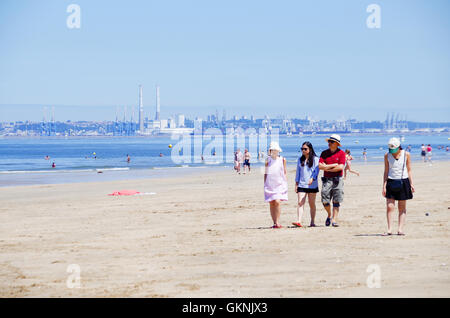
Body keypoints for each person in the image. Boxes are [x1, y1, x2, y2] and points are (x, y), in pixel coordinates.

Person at [382, 137, 414, 236]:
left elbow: (409, 170)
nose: (392, 151)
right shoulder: (387, 155)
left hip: (403, 181)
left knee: (402, 207)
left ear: (399, 147)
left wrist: (411, 183)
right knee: (390, 207)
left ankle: (400, 229)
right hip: (391, 181)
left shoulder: (406, 154)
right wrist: (384, 185)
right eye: (391, 149)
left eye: (394, 149)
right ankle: (389, 229)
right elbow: (386, 171)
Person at [319, 134, 346, 227]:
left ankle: (334, 219)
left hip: (338, 179)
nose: (329, 143)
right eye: (329, 142)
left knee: (336, 200)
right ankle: (329, 215)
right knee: (324, 200)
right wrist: (333, 165)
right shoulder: (324, 153)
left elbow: (340, 167)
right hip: (327, 180)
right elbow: (320, 166)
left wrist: (326, 168)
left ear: (337, 144)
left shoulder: (342, 153)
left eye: (331, 142)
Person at [293, 141, 319, 228]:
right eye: (302, 149)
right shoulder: (300, 160)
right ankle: (299, 221)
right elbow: (298, 173)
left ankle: (312, 221)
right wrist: (296, 184)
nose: (303, 150)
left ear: (310, 149)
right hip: (302, 184)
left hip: (312, 185)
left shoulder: (315, 159)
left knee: (312, 204)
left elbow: (316, 171)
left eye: (305, 149)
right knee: (300, 203)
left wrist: (313, 178)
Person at [264, 141, 288, 229]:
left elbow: (284, 172)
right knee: (272, 203)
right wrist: (265, 184)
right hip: (270, 184)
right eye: (272, 150)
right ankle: (274, 222)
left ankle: (277, 221)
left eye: (275, 150)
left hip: (280, 183)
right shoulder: (268, 160)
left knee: (277, 202)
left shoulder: (282, 159)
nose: (274, 151)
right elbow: (265, 173)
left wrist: (285, 182)